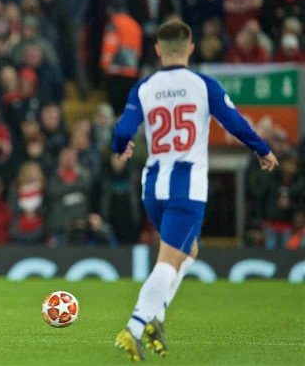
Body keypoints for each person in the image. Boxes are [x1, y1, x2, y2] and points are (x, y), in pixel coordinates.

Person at [111, 20, 278, 361]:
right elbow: (234, 122)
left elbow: (123, 129)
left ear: (157, 50)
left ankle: (156, 317)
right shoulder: (204, 85)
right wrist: (262, 149)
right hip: (187, 186)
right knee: (169, 260)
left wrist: (122, 146)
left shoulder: (144, 87)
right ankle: (135, 326)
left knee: (189, 252)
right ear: (190, 48)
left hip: (152, 186)